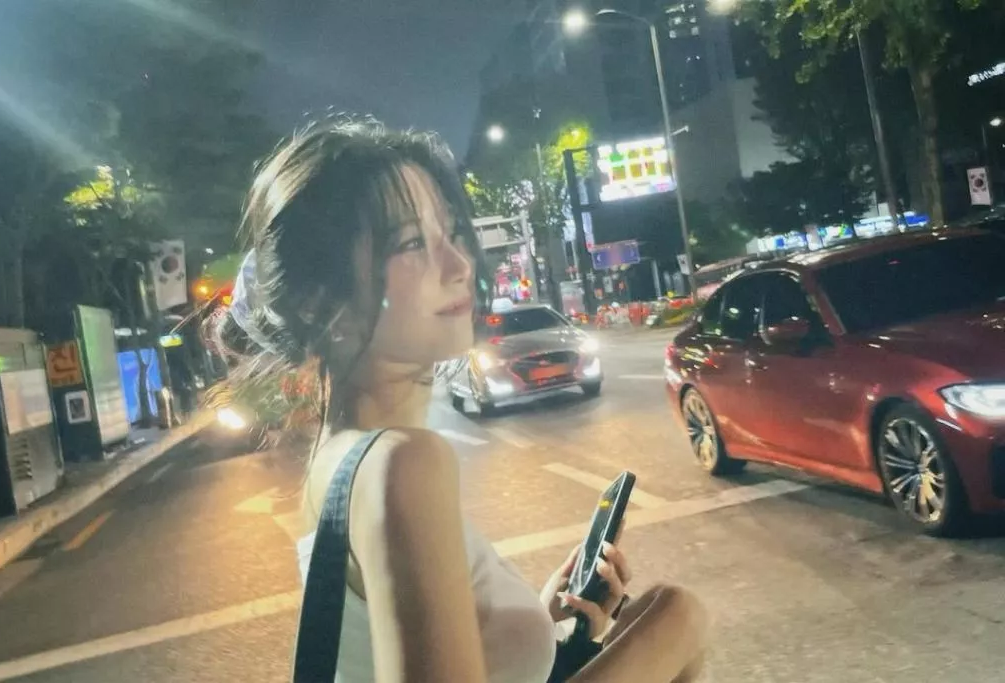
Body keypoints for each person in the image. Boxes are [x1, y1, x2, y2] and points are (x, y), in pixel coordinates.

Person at [214, 119, 707, 683]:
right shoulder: (402, 463)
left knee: (657, 614)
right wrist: (678, 626)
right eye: (411, 244)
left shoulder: (338, 459)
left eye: (450, 234)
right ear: (319, 300)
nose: (460, 265)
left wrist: (532, 621)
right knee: (675, 613)